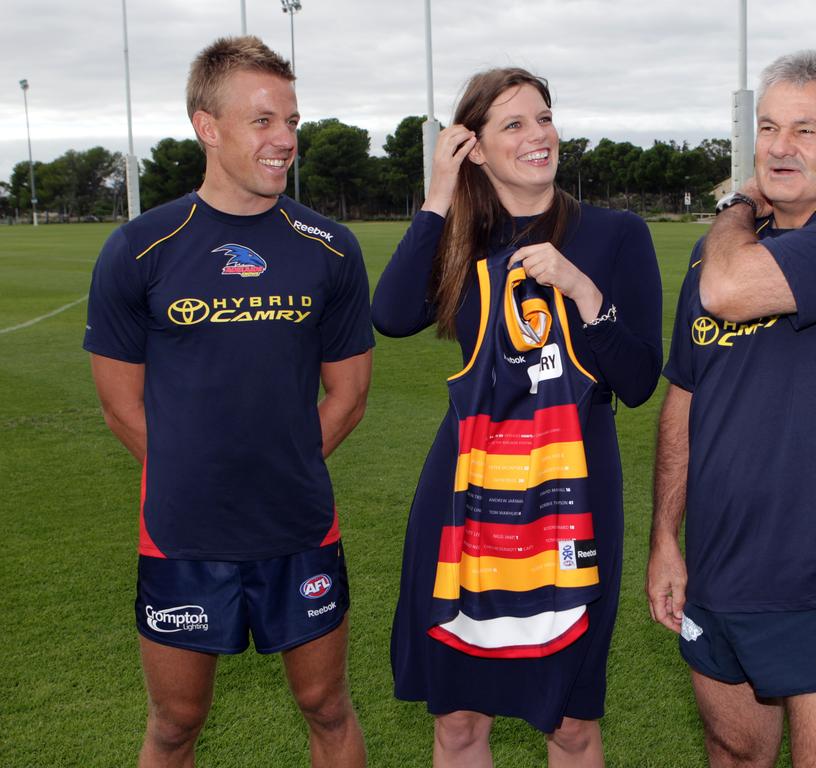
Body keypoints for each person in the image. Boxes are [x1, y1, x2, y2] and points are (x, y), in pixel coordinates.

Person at [83, 36, 372, 767]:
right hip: (182, 533)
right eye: (264, 121)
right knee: (175, 722)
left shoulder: (330, 248)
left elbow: (349, 392)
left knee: (327, 707)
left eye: (292, 122)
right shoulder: (141, 248)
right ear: (206, 126)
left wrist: (280, 469)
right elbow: (122, 405)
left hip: (299, 523)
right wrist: (198, 477)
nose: (285, 141)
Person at [372, 68, 662, 766]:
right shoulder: (459, 238)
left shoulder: (615, 234)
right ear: (474, 146)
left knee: (569, 723)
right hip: (465, 495)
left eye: (545, 117)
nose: (539, 136)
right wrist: (439, 197)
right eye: (514, 124)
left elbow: (640, 379)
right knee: (459, 723)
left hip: (573, 494)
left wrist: (583, 291)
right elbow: (390, 314)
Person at [646, 50, 816, 768]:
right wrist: (665, 539)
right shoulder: (719, 255)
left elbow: (732, 291)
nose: (778, 147)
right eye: (768, 127)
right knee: (733, 753)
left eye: (805, 130)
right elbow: (685, 394)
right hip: (716, 571)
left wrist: (737, 202)